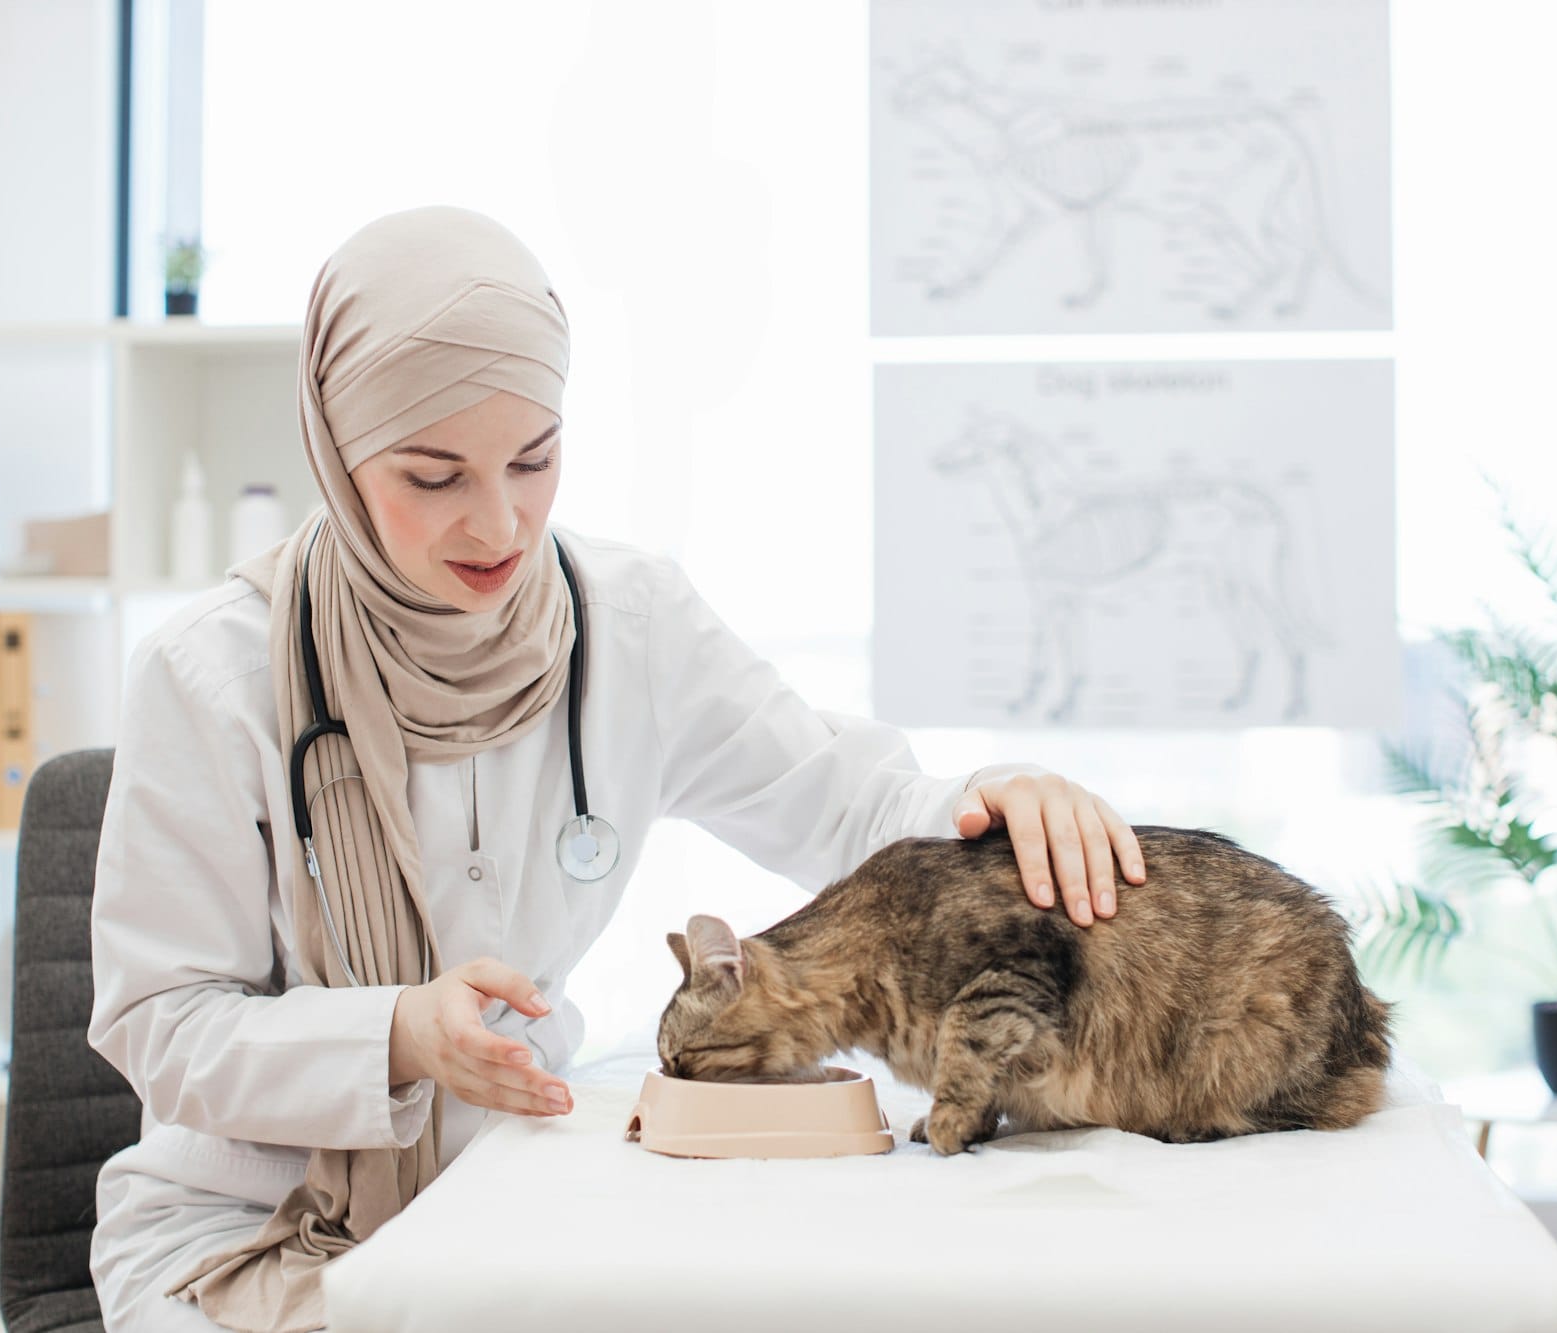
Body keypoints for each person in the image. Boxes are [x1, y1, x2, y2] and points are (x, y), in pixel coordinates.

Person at [85, 205, 1148, 1333]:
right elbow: (160, 1024)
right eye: (431, 476)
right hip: (251, 1227)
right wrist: (396, 1031)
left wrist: (994, 800)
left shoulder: (630, 624)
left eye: (533, 458)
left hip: (522, 1195)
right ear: (336, 458)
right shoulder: (209, 678)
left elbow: (854, 812)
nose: (498, 521)